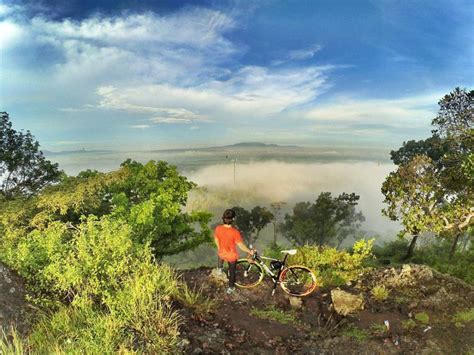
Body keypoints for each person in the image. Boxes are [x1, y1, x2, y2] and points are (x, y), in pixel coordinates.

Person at [214, 209, 255, 294]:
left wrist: (220, 248)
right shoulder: (234, 232)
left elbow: (216, 239)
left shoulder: (218, 228)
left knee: (220, 255)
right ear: (233, 219)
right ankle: (231, 288)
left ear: (223, 218)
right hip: (231, 256)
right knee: (232, 272)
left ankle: (219, 268)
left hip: (222, 253)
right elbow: (240, 245)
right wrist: (249, 251)